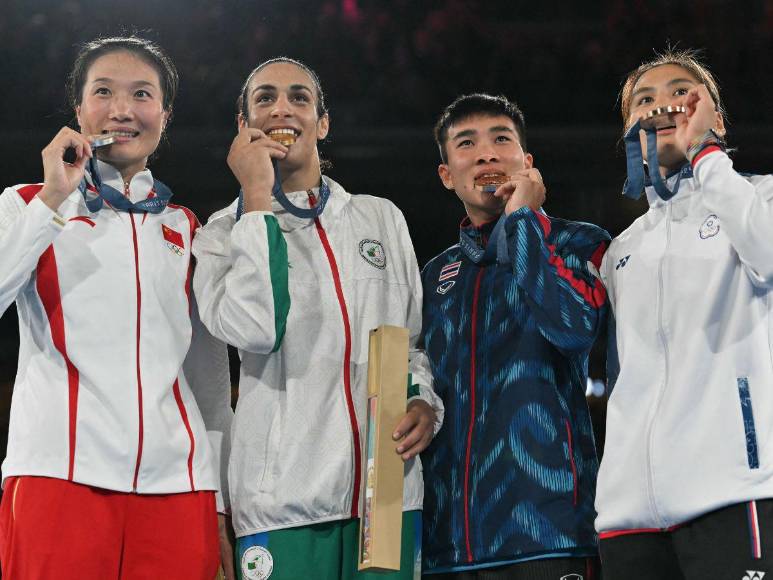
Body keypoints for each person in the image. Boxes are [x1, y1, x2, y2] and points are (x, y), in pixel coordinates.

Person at [0, 36, 265, 579]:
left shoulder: (184, 227)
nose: (122, 109)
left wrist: (218, 496)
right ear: (79, 111)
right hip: (61, 476)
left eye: (142, 94)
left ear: (164, 116)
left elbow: (209, 379)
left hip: (179, 488)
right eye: (103, 92)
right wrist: (54, 197)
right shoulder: (27, 204)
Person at [192, 57, 444, 580]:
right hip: (283, 506)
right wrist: (256, 201)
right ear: (242, 125)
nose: (282, 108)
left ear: (322, 122)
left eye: (299, 98)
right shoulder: (219, 235)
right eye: (264, 98)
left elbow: (410, 342)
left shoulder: (380, 217)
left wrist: (423, 400)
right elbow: (258, 327)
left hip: (388, 497)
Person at [597, 49, 773, 578]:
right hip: (628, 517)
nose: (663, 104)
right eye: (644, 99)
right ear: (630, 130)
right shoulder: (622, 248)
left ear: (716, 118)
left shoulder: (759, 197)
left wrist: (706, 154)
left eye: (681, 92)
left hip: (731, 492)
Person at [420, 93, 609, 579]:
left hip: (550, 534)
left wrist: (522, 221)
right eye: (466, 144)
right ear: (447, 175)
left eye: (501, 139)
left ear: (527, 162)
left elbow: (573, 329)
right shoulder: (434, 276)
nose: (486, 154)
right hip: (448, 545)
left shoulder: (579, 242)